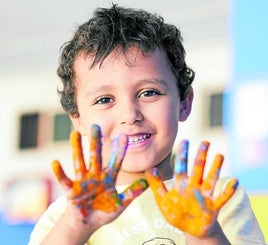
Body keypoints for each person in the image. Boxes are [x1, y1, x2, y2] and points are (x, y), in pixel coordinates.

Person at [29, 4, 265, 245]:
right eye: (104, 100)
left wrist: (204, 235)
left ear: (183, 103)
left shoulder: (215, 197)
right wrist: (74, 227)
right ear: (77, 120)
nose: (130, 114)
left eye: (149, 92)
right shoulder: (65, 216)